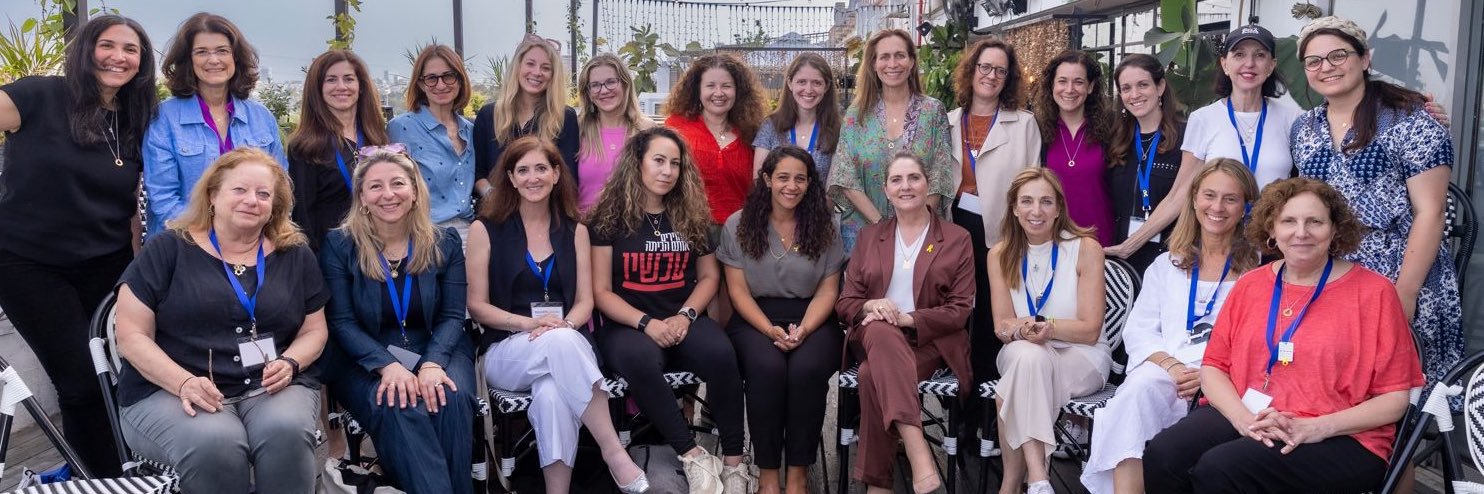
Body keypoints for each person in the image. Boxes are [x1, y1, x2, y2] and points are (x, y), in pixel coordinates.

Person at [1143, 178, 1424, 492]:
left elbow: (1396, 400)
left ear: (1334, 230)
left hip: (1340, 434)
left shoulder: (1374, 293)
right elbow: (1214, 368)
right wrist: (1241, 418)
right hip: (1251, 412)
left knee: (1222, 469)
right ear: (1272, 230)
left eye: (1314, 221)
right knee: (1164, 455)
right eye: (1288, 221)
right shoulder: (1250, 285)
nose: (1301, 232)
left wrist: (1316, 427)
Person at [114, 148, 328, 493]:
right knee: (217, 443)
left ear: (275, 205)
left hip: (268, 384)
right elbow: (131, 334)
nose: (251, 201)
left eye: (263, 194)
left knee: (285, 431)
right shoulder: (167, 249)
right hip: (172, 388)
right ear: (213, 195)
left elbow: (315, 329)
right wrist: (183, 382)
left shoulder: (295, 254)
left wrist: (291, 361)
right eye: (239, 190)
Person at [0, 14, 156, 477]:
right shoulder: (39, 95)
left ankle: (114, 470)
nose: (118, 57)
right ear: (86, 49)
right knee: (79, 381)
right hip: (29, 263)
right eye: (107, 46)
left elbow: (132, 203)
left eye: (131, 50)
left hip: (107, 264)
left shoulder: (134, 119)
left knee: (117, 373)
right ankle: (100, 477)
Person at [1294, 16, 1462, 404]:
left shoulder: (1412, 121)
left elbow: (1431, 212)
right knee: (1325, 391)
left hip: (1397, 271)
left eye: (1338, 55)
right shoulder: (1303, 128)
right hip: (1328, 275)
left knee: (1393, 404)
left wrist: (1404, 292)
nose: (1327, 67)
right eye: (1314, 61)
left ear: (1365, 59)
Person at [469, 136, 648, 494]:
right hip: (506, 349)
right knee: (561, 344)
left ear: (555, 174)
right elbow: (477, 305)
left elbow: (585, 301)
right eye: (523, 170)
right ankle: (614, 451)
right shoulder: (484, 229)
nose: (532, 177)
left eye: (541, 169)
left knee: (551, 394)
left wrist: (562, 327)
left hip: (564, 342)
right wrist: (531, 324)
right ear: (511, 177)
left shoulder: (576, 229)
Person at [1080, 159, 1261, 494]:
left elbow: (1259, 341)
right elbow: (1140, 329)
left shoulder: (1259, 273)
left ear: (1246, 206)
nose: (1217, 207)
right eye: (1209, 195)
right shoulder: (1168, 265)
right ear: (1194, 200)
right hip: (1167, 370)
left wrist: (1210, 374)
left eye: (1230, 198)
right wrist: (1173, 365)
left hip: (1227, 379)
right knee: (1137, 393)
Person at [586, 127, 752, 494]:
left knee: (723, 353)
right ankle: (693, 457)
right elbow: (599, 291)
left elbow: (709, 277)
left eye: (675, 163)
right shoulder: (606, 220)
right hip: (628, 325)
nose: (667, 170)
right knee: (640, 360)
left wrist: (686, 316)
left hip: (684, 319)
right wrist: (646, 324)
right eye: (658, 160)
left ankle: (736, 464)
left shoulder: (693, 216)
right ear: (638, 163)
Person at [319, 147, 476, 493]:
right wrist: (387, 366)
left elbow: (452, 315)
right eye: (375, 186)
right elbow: (342, 322)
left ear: (415, 191)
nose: (388, 194)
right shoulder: (339, 245)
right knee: (399, 403)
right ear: (361, 197)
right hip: (365, 355)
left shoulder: (444, 242)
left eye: (397, 183)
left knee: (449, 397)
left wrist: (433, 364)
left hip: (439, 344)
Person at [836, 152, 972, 494]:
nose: (906, 186)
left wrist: (908, 318)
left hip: (928, 343)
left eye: (914, 178)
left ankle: (878, 486)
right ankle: (918, 450)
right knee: (881, 328)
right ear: (885, 190)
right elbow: (846, 303)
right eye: (896, 180)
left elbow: (960, 310)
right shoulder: (869, 237)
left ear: (928, 185)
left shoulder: (956, 239)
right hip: (873, 335)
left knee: (870, 374)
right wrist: (872, 304)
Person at [719, 146, 845, 494]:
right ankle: (769, 472)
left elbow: (828, 291)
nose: (792, 186)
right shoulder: (739, 224)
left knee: (806, 370)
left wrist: (804, 328)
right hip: (755, 318)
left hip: (813, 318)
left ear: (810, 184)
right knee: (767, 368)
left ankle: (798, 474)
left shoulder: (825, 226)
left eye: (800, 179)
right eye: (783, 177)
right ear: (767, 180)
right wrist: (768, 328)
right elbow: (738, 292)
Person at [987, 167, 1110, 494]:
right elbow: (1002, 325)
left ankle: (1015, 482)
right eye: (1026, 201)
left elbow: (1090, 330)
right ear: (1014, 207)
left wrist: (1048, 328)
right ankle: (1040, 480)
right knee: (1029, 359)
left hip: (1082, 356)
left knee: (1008, 391)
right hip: (1023, 350)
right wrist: (1022, 330)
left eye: (1045, 202)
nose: (1036, 211)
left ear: (1059, 208)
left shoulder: (1086, 248)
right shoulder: (999, 254)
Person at [945, 36, 1041, 389]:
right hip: (954, 228)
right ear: (972, 71)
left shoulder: (1024, 123)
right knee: (956, 315)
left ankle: (984, 411)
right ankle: (956, 398)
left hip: (1000, 233)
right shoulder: (948, 121)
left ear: (1009, 77)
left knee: (990, 317)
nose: (991, 75)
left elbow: (1031, 186)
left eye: (1000, 70)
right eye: (985, 67)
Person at [145, 12, 286, 236]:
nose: (213, 60)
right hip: (183, 245)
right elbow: (163, 199)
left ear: (235, 58)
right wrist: (214, 237)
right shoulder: (164, 117)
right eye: (202, 52)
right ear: (188, 60)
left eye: (222, 51)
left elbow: (278, 188)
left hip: (249, 243)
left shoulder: (261, 117)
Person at [828, 29, 956, 253]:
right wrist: (882, 226)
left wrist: (912, 225)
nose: (892, 63)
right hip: (863, 233)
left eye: (900, 55)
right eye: (884, 57)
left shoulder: (932, 111)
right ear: (874, 64)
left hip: (919, 235)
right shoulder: (856, 114)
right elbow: (845, 176)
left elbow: (940, 173)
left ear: (912, 62)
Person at [288, 49, 390, 251]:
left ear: (360, 86)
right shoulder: (305, 146)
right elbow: (303, 217)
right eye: (331, 80)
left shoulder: (378, 138)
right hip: (332, 256)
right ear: (318, 88)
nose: (341, 87)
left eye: (349, 79)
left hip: (379, 249)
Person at [1104, 53, 1188, 273]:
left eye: (1143, 85)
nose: (1134, 95)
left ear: (1160, 87)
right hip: (1123, 260)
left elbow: (1182, 198)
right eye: (1126, 88)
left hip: (1172, 257)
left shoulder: (1186, 137)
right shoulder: (1117, 139)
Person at [473, 34, 579, 203]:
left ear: (553, 75)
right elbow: (478, 172)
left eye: (546, 67)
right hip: (497, 214)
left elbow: (568, 177)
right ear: (517, 67)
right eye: (530, 64)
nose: (537, 72)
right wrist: (492, 195)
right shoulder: (488, 115)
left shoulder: (564, 117)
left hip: (546, 214)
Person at [663, 53, 765, 227]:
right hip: (687, 231)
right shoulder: (676, 127)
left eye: (726, 86)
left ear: (738, 90)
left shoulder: (753, 133)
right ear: (698, 89)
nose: (719, 93)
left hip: (739, 233)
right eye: (710, 86)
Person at [388, 44, 475, 242]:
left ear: (460, 80)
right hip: (424, 235)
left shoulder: (470, 130)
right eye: (431, 78)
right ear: (420, 84)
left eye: (448, 76)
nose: (441, 85)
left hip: (470, 233)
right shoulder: (401, 128)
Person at [1033, 49, 1116, 246]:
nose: (1069, 89)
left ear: (1090, 87)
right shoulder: (1037, 128)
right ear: (1052, 85)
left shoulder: (1112, 128)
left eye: (1078, 82)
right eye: (1062, 81)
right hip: (1051, 241)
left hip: (1100, 242)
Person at [574, 53, 654, 212]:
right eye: (595, 85)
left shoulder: (647, 130)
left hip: (634, 229)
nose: (603, 91)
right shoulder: (576, 129)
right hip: (585, 230)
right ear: (588, 93)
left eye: (610, 82)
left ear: (625, 84)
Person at [750, 53, 842, 180]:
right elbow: (758, 179)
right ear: (790, 83)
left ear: (826, 86)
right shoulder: (771, 126)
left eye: (816, 83)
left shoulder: (837, 130)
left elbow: (832, 188)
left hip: (820, 200)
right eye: (802, 82)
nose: (809, 89)